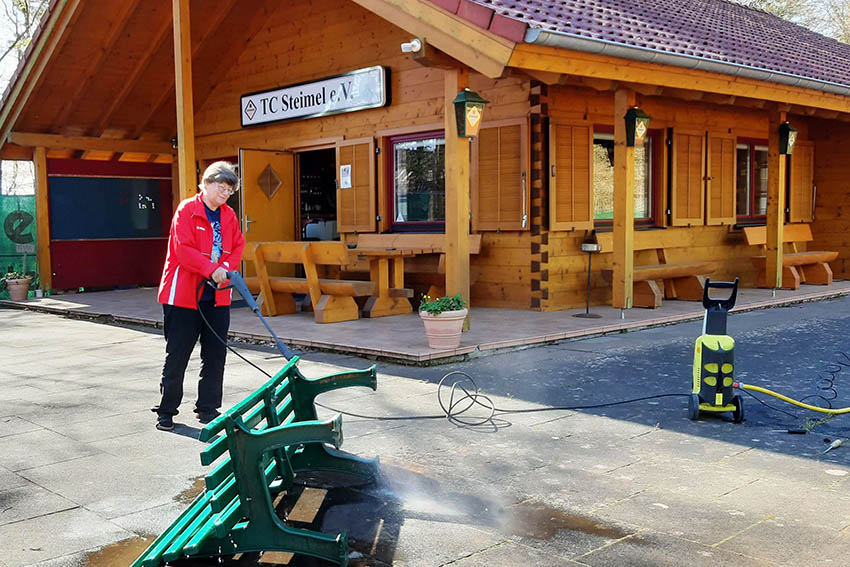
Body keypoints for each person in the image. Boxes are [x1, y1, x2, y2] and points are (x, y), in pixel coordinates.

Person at [153, 161, 245, 431]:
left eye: (230, 190)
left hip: (216, 295)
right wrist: (210, 268)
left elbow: (237, 245)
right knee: (178, 353)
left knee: (216, 354)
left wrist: (225, 269)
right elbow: (184, 250)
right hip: (183, 295)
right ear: (206, 184)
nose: (225, 193)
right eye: (221, 187)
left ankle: (208, 407)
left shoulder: (229, 215)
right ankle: (167, 410)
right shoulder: (187, 210)